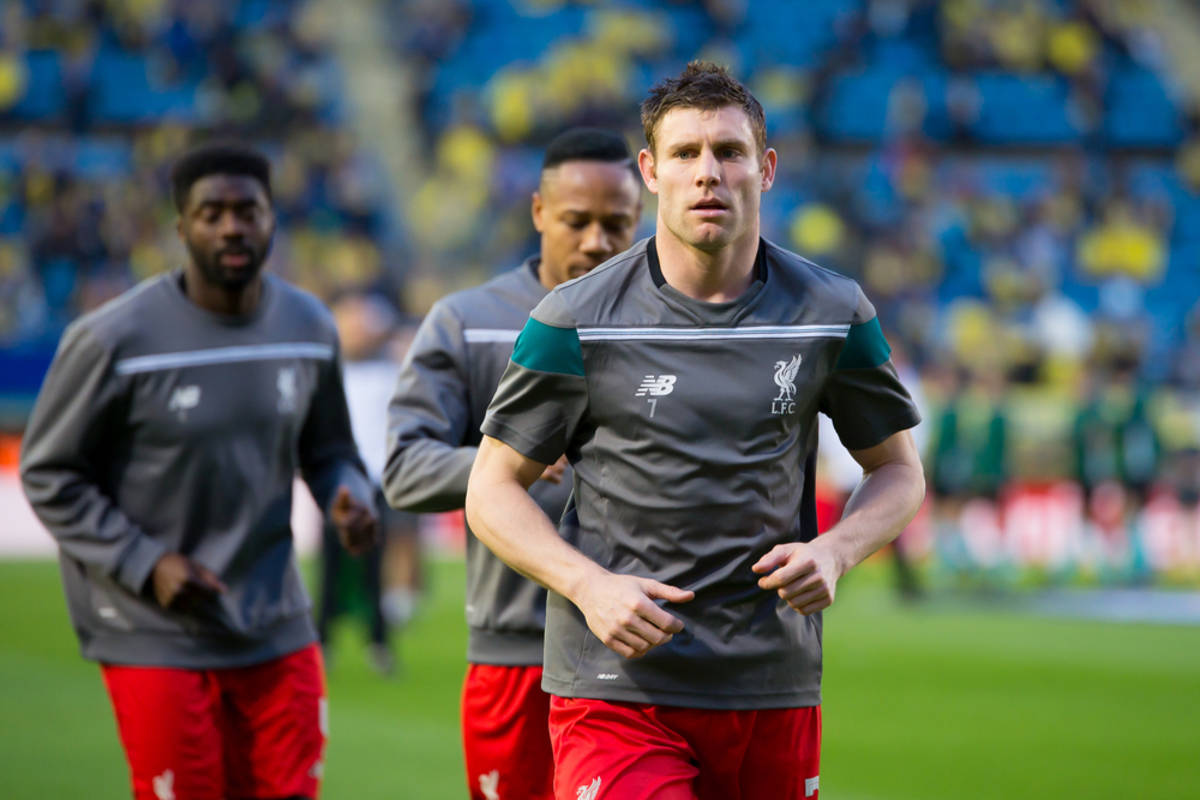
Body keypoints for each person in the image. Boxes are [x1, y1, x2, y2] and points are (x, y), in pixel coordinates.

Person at [465, 63, 925, 800]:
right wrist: (588, 586)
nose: (708, 172)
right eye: (684, 153)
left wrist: (836, 552)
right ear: (651, 172)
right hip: (616, 691)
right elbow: (491, 489)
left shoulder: (832, 313)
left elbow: (899, 471)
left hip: (772, 685)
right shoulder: (574, 318)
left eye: (729, 152)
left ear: (765, 169)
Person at [19, 142, 378, 800]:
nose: (232, 227)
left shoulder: (308, 325)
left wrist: (347, 494)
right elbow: (48, 473)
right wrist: (145, 562)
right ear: (181, 227)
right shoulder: (111, 339)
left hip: (275, 619)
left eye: (248, 211)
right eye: (212, 214)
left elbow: (329, 450)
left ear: (272, 220)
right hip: (154, 627)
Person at [384, 127, 642, 800]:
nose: (597, 242)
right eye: (576, 221)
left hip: (644, 649)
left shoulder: (672, 324)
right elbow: (405, 468)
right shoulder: (468, 323)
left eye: (616, 224)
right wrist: (502, 464)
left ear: (640, 217)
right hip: (518, 648)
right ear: (538, 213)